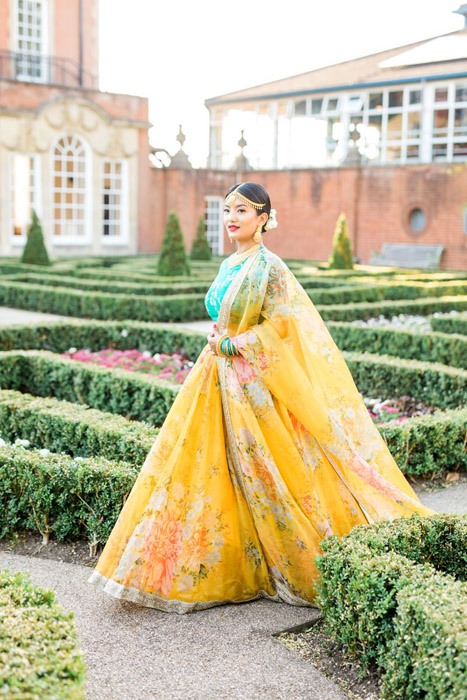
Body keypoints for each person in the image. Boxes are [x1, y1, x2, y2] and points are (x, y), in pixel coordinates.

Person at [88, 181, 437, 614]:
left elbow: (282, 329)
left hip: (250, 384)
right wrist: (220, 343)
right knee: (206, 467)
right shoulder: (230, 263)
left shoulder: (269, 267)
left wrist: (234, 346)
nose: (232, 217)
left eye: (243, 210)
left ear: (263, 220)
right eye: (228, 210)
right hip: (214, 376)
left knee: (262, 471)